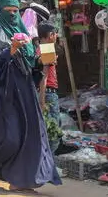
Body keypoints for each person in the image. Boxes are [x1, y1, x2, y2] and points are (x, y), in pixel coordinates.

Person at [0, 0, 61, 191]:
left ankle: (21, 180)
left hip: (26, 91)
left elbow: (30, 64)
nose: (12, 15)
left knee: (31, 134)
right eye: (8, 11)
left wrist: (41, 62)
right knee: (11, 136)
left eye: (15, 11)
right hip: (5, 94)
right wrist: (10, 51)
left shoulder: (24, 32)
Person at [37, 22, 63, 155]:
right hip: (48, 93)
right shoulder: (47, 49)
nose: (56, 36)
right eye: (55, 33)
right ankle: (48, 163)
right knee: (53, 132)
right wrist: (42, 101)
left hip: (45, 93)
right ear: (50, 35)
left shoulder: (40, 48)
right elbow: (44, 77)